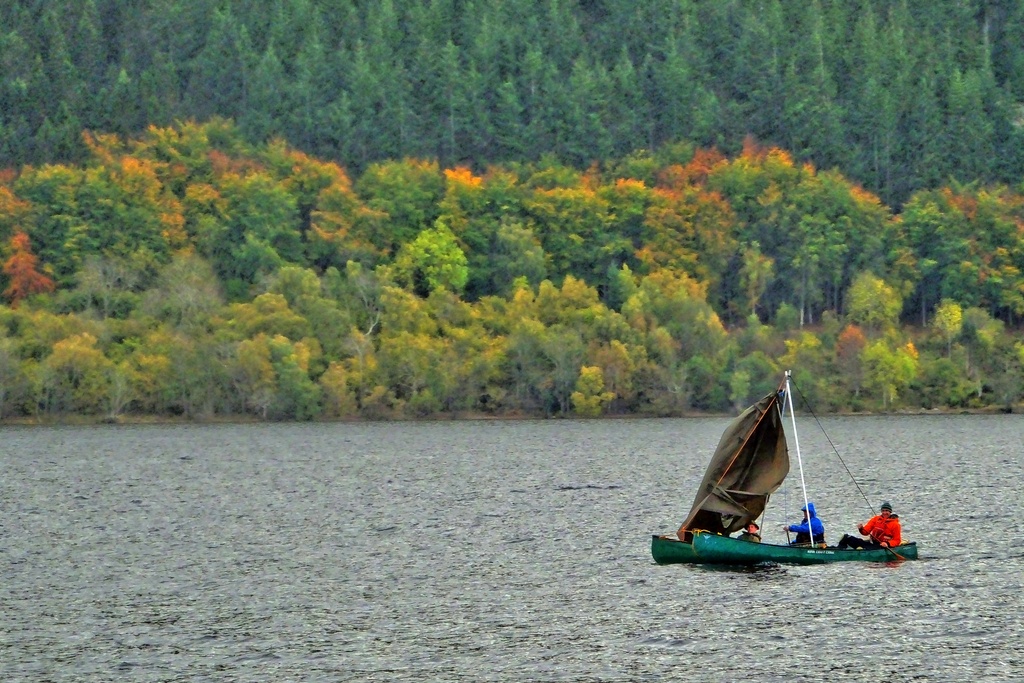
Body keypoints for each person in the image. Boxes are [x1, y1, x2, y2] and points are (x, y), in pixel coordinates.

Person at [837, 501, 902, 549]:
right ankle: (838, 551)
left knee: (867, 548)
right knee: (847, 537)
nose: (885, 512)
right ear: (881, 511)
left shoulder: (895, 524)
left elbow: (897, 540)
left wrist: (887, 544)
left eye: (887, 511)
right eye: (883, 511)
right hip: (872, 544)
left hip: (883, 547)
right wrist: (861, 528)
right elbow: (865, 532)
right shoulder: (876, 519)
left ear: (890, 512)